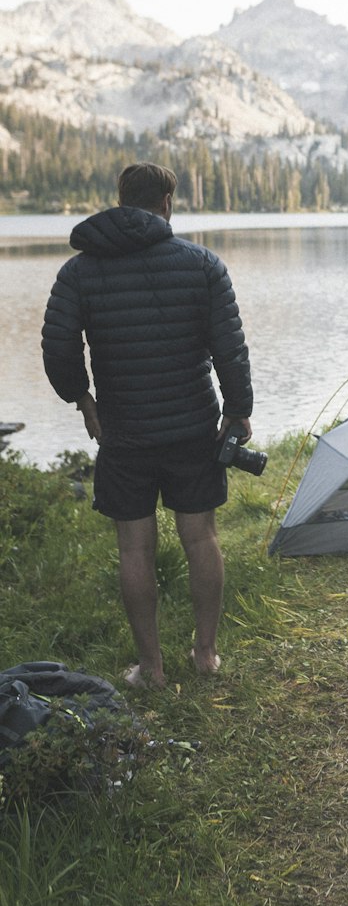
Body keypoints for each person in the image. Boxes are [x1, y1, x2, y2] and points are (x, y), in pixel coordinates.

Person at [41, 162, 254, 688]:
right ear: (165, 203)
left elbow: (57, 346)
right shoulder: (202, 264)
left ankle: (152, 670)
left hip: (125, 432)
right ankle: (205, 656)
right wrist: (238, 408)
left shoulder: (80, 272)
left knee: (134, 548)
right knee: (200, 538)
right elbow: (230, 346)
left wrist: (82, 398)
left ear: (119, 199)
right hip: (193, 426)